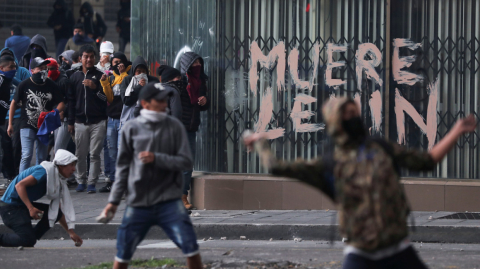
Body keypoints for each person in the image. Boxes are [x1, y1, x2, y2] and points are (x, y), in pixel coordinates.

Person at [244, 97, 478, 269]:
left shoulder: (381, 148)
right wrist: (260, 142)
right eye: (346, 115)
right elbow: (276, 166)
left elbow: (428, 161)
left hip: (399, 250)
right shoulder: (329, 163)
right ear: (336, 122)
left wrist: (456, 131)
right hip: (361, 256)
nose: (353, 118)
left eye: (355, 112)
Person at [100, 82, 202, 269]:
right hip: (139, 202)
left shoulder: (174, 127)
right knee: (123, 252)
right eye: (160, 100)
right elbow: (122, 168)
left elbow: (186, 162)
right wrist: (113, 202)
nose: (165, 104)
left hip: (169, 201)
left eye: (166, 100)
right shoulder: (131, 128)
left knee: (191, 246)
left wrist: (158, 158)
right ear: (145, 103)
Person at [0, 149, 83, 247]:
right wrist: (31, 208)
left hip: (20, 206)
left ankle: (28, 238)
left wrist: (71, 232)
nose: (74, 169)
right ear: (61, 165)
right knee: (27, 240)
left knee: (54, 213)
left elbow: (57, 209)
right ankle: (27, 239)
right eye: (71, 165)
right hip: (10, 208)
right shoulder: (44, 172)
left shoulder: (57, 178)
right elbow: (19, 186)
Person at [8, 57, 65, 173]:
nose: (43, 71)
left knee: (41, 158)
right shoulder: (24, 84)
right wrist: (10, 124)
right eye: (40, 68)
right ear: (32, 70)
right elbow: (13, 103)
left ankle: (38, 182)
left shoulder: (51, 84)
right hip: (27, 124)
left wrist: (54, 113)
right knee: (27, 155)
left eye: (45, 68)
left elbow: (62, 103)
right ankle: (21, 182)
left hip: (44, 126)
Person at [68, 45, 107, 194]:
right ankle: (81, 181)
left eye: (91, 56)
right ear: (80, 58)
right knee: (80, 154)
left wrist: (95, 87)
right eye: (86, 56)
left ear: (95, 57)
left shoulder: (101, 75)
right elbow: (70, 101)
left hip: (98, 122)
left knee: (95, 154)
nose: (89, 59)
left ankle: (92, 182)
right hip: (79, 122)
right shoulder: (74, 76)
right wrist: (70, 121)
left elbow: (106, 99)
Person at [179, 52, 210, 210]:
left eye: (199, 63)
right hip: (178, 127)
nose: (197, 66)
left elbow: (205, 106)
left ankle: (182, 196)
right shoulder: (180, 81)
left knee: (187, 163)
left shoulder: (201, 81)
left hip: (191, 127)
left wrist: (204, 101)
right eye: (194, 63)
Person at [0, 48, 31, 184]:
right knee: (5, 148)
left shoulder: (20, 73)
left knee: (15, 146)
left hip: (17, 115)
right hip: (3, 118)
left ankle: (15, 175)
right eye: (9, 66)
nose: (12, 68)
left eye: (13, 65)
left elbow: (27, 87)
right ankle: (8, 175)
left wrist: (12, 78)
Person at [119, 56, 159, 125]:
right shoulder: (127, 80)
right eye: (138, 71)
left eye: (143, 71)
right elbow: (126, 101)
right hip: (129, 120)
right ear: (134, 71)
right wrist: (139, 87)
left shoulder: (153, 81)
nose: (141, 74)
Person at [0, 56, 16, 185]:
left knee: (7, 147)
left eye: (15, 67)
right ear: (2, 68)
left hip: (4, 120)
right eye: (11, 67)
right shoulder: (1, 79)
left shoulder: (11, 80)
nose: (13, 69)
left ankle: (10, 175)